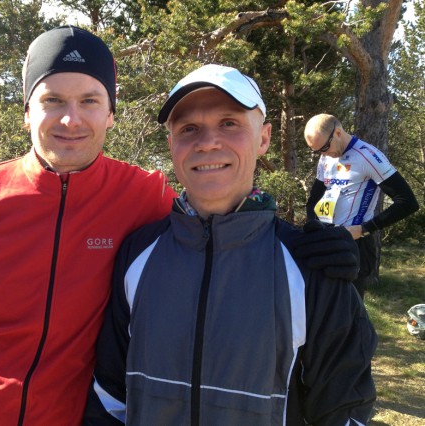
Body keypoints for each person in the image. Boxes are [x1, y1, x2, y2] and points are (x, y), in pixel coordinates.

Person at [0, 26, 360, 425]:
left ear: (110, 113)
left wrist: (314, 249)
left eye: (89, 100)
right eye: (52, 100)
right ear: (27, 110)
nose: (71, 118)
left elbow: (218, 218)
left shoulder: (143, 195)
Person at [84, 64, 377, 425]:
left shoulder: (311, 265)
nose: (207, 142)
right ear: (171, 143)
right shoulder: (137, 253)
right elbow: (109, 398)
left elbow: (344, 410)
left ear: (264, 138)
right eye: (189, 128)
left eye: (229, 123)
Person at [304, 114, 419, 298]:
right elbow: (314, 199)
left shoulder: (369, 156)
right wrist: (313, 225)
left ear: (338, 132)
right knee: (322, 308)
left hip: (354, 245)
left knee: (349, 313)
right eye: (317, 151)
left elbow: (407, 202)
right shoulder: (326, 156)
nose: (323, 154)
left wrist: (365, 229)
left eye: (324, 147)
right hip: (325, 239)